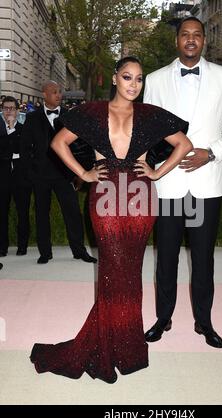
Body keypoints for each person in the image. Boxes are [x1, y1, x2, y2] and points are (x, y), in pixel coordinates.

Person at [29, 56, 193, 383]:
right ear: (115, 78)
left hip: (140, 199)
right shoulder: (91, 112)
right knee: (112, 270)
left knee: (130, 272)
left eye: (139, 79)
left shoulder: (150, 115)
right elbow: (58, 143)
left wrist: (157, 171)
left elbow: (184, 144)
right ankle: (112, 345)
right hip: (105, 197)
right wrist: (85, 174)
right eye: (128, 77)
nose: (134, 84)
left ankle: (126, 346)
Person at [143, 17, 222, 348]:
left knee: (203, 258)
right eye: (185, 35)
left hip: (206, 187)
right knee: (166, 257)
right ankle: (163, 318)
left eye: (197, 35)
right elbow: (147, 128)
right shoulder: (155, 79)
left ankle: (204, 322)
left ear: (204, 41)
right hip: (169, 186)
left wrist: (213, 152)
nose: (191, 40)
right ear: (177, 41)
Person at [20, 81, 96, 264]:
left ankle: (79, 251)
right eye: (54, 92)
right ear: (44, 95)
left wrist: (79, 173)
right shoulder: (32, 118)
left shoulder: (70, 116)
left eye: (60, 92)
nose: (58, 95)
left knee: (73, 213)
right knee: (41, 214)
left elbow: (81, 146)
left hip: (64, 175)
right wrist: (31, 173)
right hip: (40, 176)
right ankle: (45, 253)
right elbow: (24, 148)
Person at [0, 96, 32, 256]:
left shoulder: (24, 129)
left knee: (22, 212)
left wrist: (12, 129)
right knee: (2, 213)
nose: (8, 111)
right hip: (3, 177)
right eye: (5, 108)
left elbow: (23, 151)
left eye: (12, 108)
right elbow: (5, 151)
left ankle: (22, 246)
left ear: (17, 110)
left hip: (21, 177)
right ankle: (2, 247)